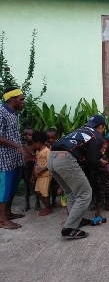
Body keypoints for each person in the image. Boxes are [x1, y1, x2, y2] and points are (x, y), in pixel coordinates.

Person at [48, 114, 106, 239]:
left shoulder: (79, 130)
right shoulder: (96, 136)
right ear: (101, 126)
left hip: (51, 157)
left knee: (71, 193)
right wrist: (101, 164)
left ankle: (75, 221)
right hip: (65, 160)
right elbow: (92, 160)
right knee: (85, 193)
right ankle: (69, 229)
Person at [0, 87, 32, 229]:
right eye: (21, 99)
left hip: (15, 156)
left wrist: (24, 148)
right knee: (4, 188)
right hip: (4, 157)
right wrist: (19, 147)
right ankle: (3, 220)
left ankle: (8, 213)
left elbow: (13, 134)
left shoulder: (14, 113)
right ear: (11, 99)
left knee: (13, 186)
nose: (23, 102)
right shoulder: (1, 112)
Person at [94, 144, 109, 218]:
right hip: (100, 181)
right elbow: (97, 168)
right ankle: (98, 212)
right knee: (100, 197)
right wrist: (105, 170)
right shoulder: (103, 159)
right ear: (108, 154)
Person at [31, 131, 52, 216]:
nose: (33, 146)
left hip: (45, 175)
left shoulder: (47, 151)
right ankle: (47, 206)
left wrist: (41, 170)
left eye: (33, 144)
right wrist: (33, 174)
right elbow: (36, 163)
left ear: (38, 143)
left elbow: (50, 163)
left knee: (44, 192)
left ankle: (47, 208)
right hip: (39, 176)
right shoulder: (38, 151)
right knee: (37, 192)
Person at [22, 127, 39, 211]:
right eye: (25, 134)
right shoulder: (22, 146)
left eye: (29, 134)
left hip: (34, 169)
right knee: (26, 187)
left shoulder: (35, 146)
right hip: (25, 169)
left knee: (36, 187)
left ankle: (37, 202)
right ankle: (27, 204)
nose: (27, 136)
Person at [46, 127, 61, 208]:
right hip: (46, 171)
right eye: (48, 138)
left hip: (56, 170)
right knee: (47, 187)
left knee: (54, 186)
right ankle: (49, 203)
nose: (51, 140)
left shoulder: (59, 145)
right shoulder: (44, 146)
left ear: (57, 137)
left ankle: (54, 202)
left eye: (53, 138)